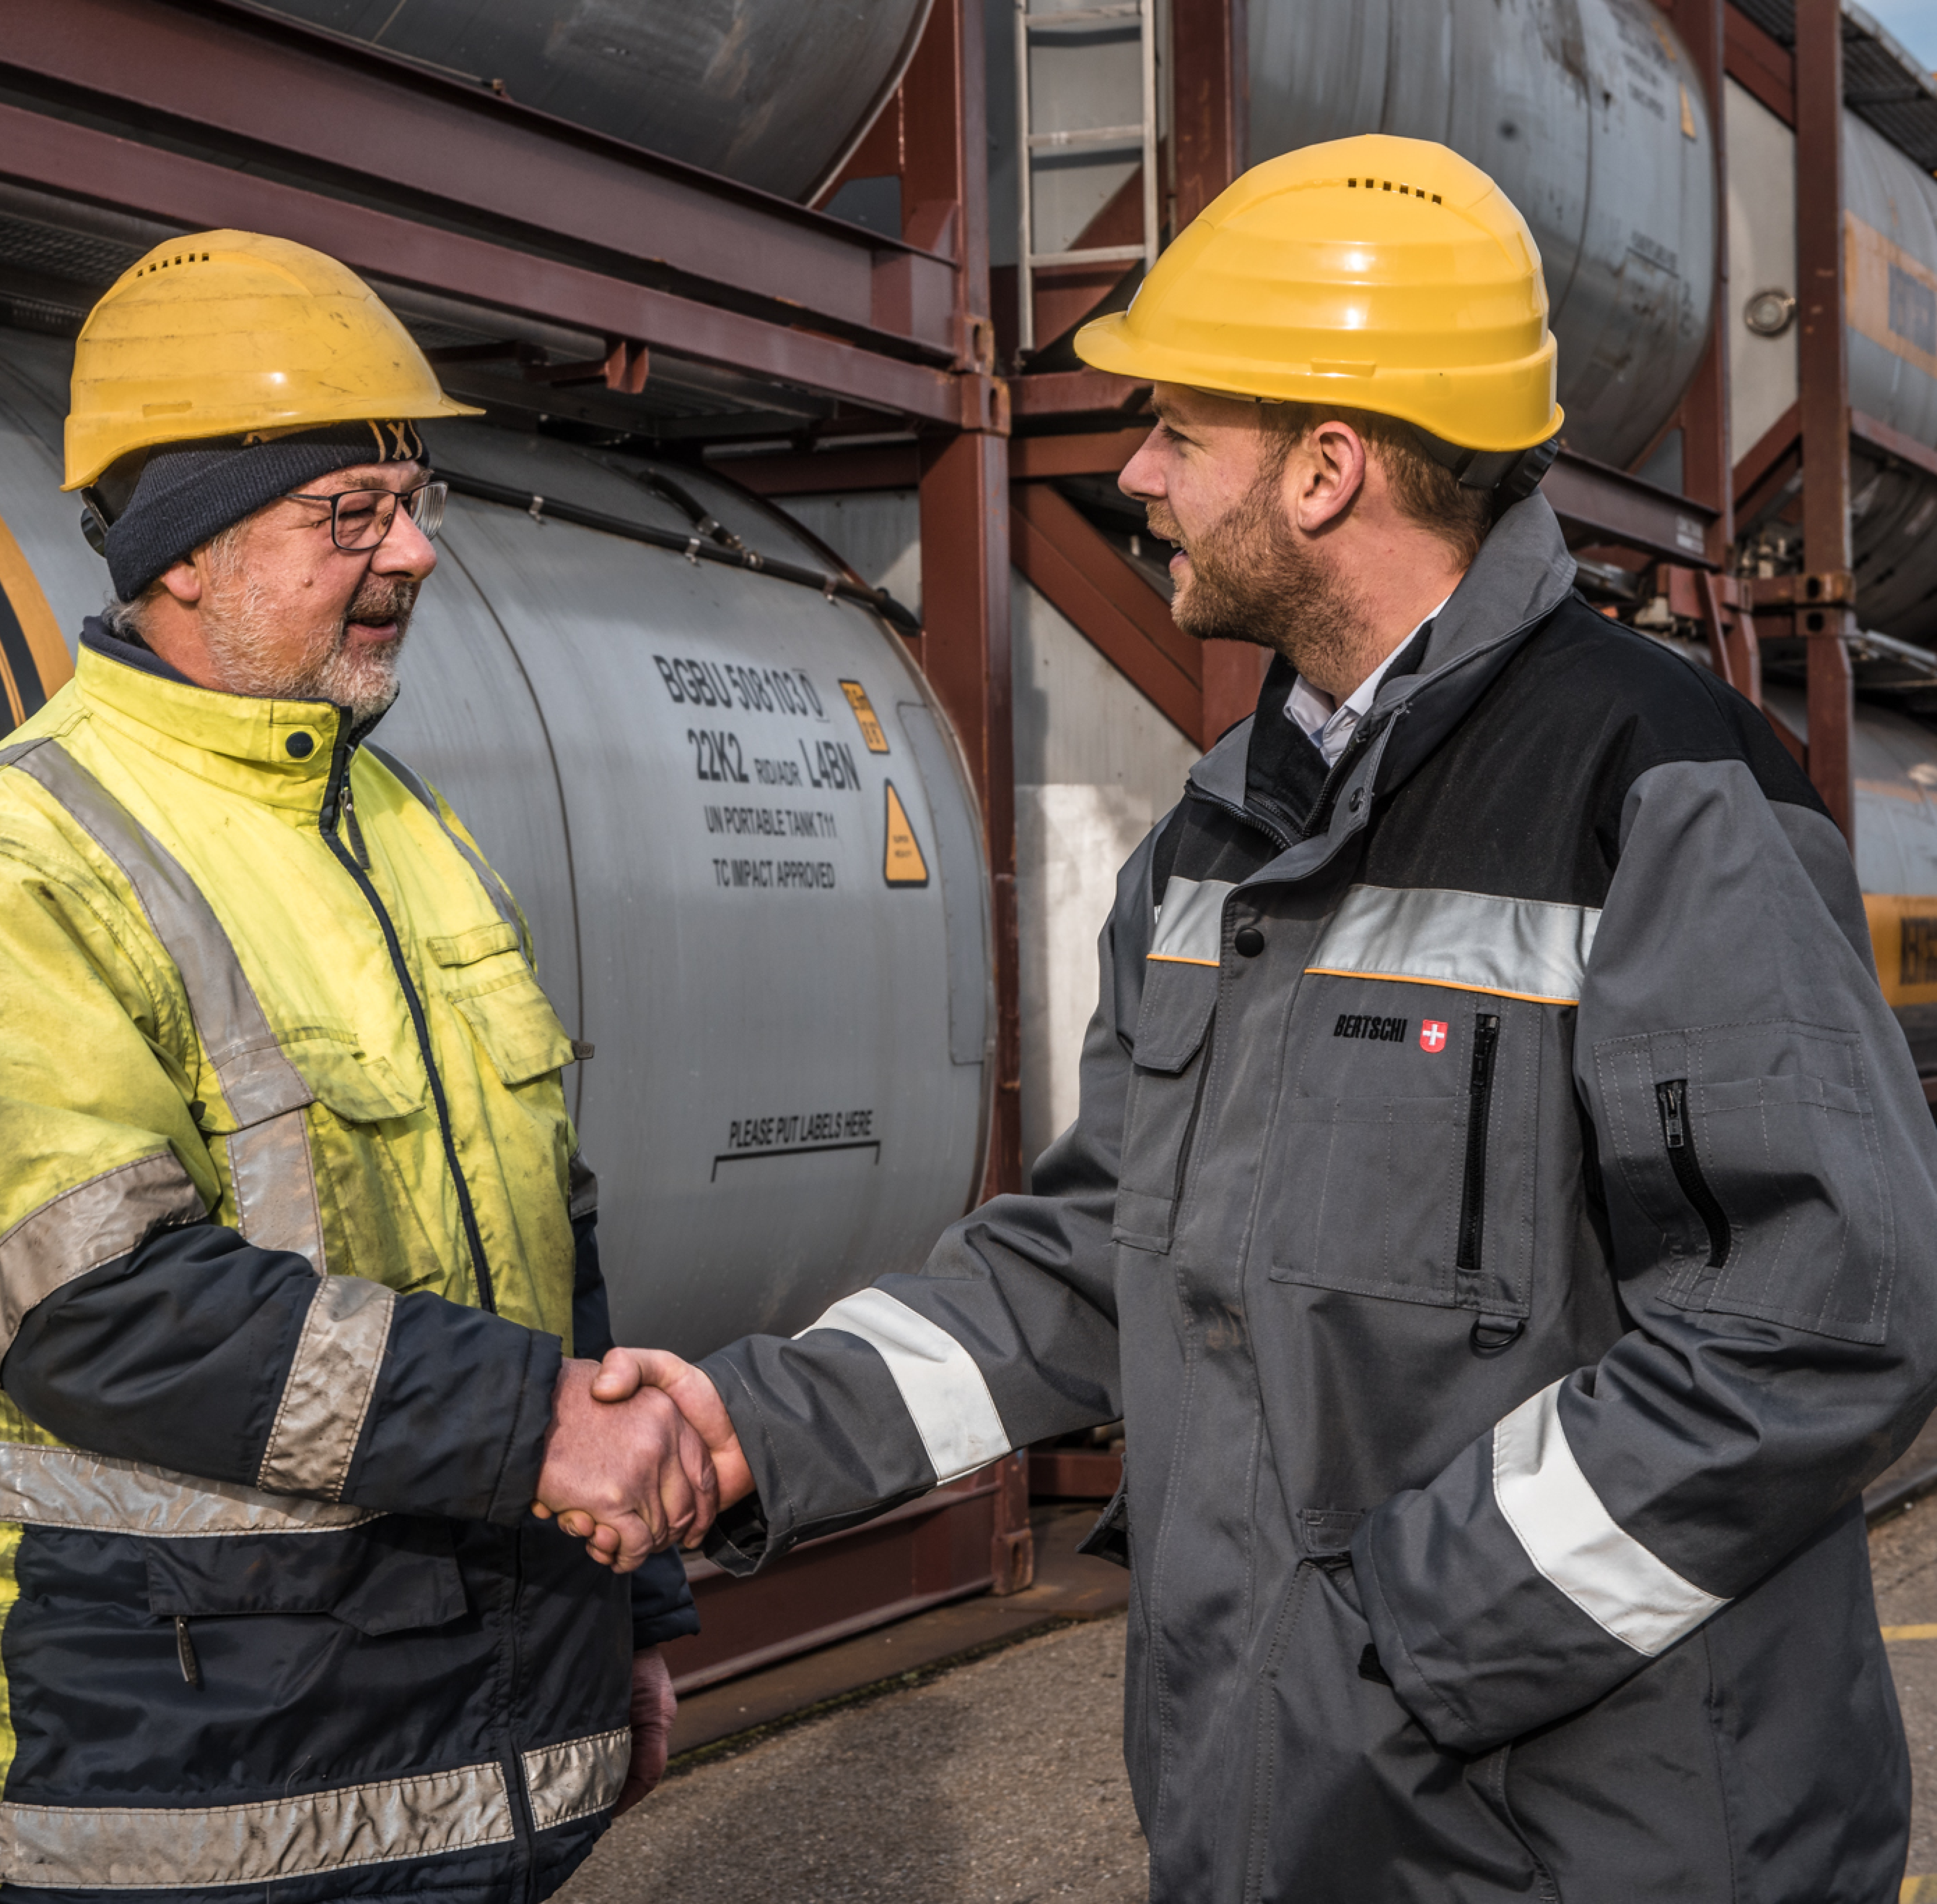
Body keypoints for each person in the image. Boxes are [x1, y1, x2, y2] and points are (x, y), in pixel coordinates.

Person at [579, 134, 1937, 1901]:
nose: (1136, 471)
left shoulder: (1660, 786)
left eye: (1176, 430)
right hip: (1289, 1815)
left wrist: (1400, 1640)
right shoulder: (1225, 834)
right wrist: (758, 1423)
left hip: (1585, 1846)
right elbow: (1093, 1258)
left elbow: (1825, 1318)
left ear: (1324, 468)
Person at [0, 229, 718, 1904]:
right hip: (152, 1805)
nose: (412, 553)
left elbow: (548, 1228)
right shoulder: (15, 872)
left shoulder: (398, 828)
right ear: (181, 550)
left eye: (414, 500)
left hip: (449, 1770)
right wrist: (536, 1428)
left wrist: (631, 1609)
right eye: (349, 514)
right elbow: (101, 1308)